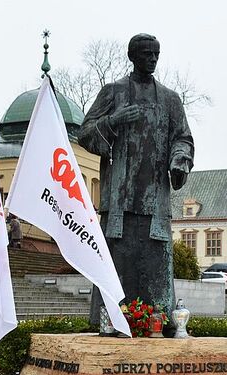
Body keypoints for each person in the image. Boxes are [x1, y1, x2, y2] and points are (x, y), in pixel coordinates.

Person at [78, 33, 194, 335]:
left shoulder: (170, 99)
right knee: (119, 264)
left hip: (154, 201)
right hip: (120, 201)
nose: (153, 59)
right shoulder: (113, 93)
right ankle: (111, 324)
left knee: (155, 267)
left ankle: (159, 323)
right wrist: (113, 120)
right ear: (133, 56)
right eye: (147, 54)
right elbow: (85, 134)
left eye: (156, 54)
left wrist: (179, 162)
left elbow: (182, 138)